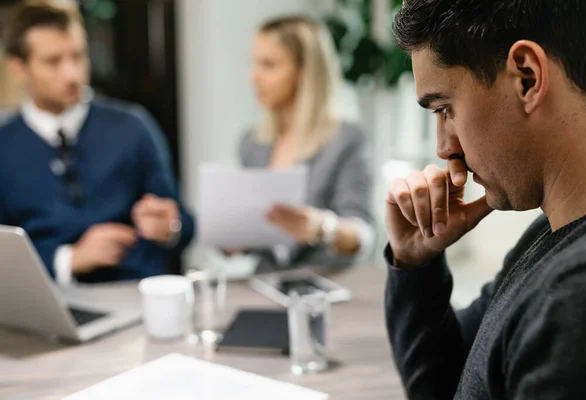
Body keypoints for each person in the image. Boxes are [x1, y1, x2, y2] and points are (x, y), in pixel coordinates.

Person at [384, 1, 586, 398]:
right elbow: (451, 383)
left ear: (528, 78)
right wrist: (416, 264)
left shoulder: (579, 298)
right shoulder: (550, 236)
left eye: (445, 108)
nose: (444, 148)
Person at [0, 0, 195, 284]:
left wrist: (170, 226)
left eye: (78, 57)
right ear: (19, 69)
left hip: (133, 294)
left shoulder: (132, 127)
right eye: (53, 62)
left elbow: (185, 226)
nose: (72, 74)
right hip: (50, 302)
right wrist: (69, 259)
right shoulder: (5, 145)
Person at [238, 15, 375, 273]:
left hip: (327, 283)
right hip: (267, 283)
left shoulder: (348, 139)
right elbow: (261, 235)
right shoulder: (251, 143)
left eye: (268, 64)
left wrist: (323, 228)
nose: (254, 76)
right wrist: (233, 237)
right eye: (254, 63)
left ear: (303, 72)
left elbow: (363, 235)